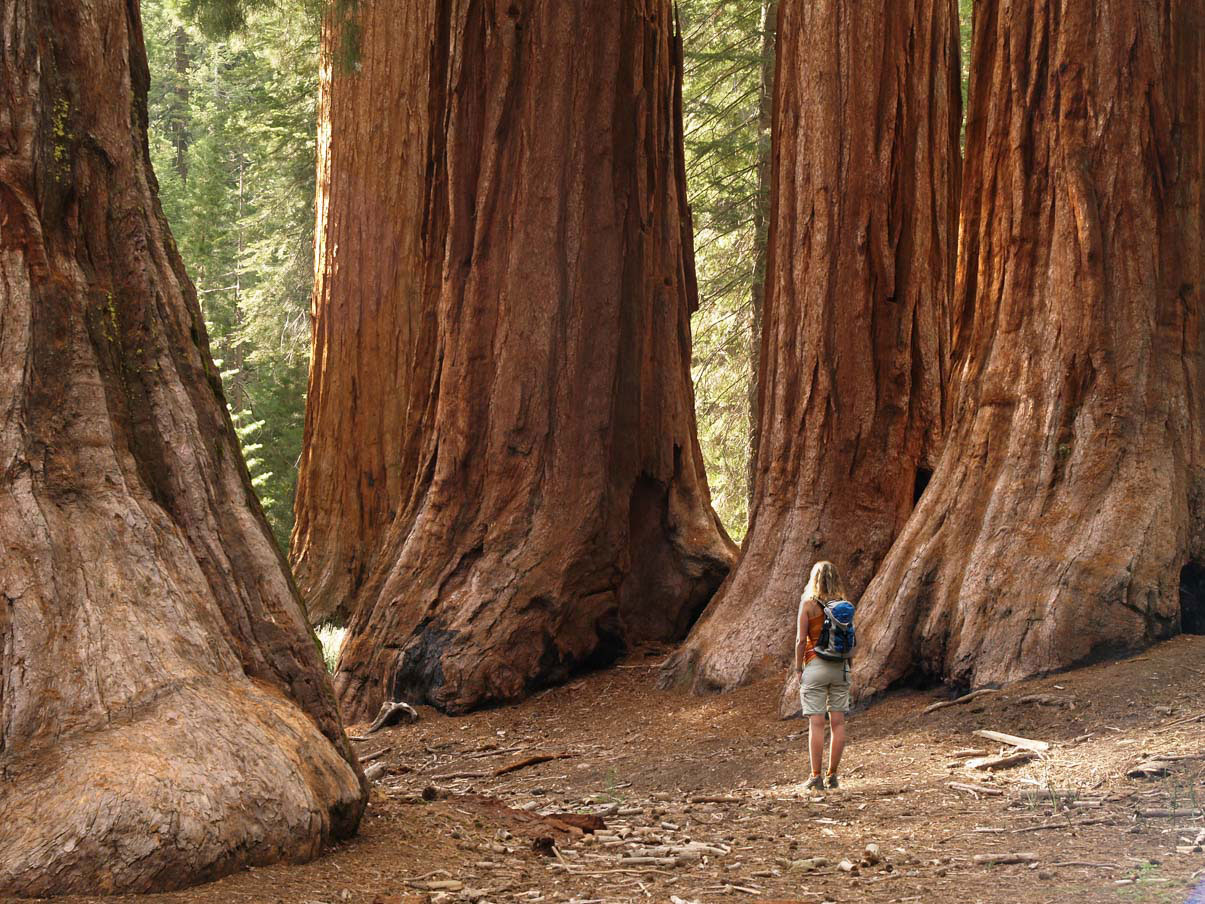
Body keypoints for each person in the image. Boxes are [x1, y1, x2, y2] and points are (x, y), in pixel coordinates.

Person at [794, 561, 851, 790]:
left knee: (816, 723)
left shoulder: (808, 605)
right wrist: (848, 666)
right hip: (840, 667)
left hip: (815, 666)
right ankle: (833, 775)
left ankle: (815, 777)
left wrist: (799, 669)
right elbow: (849, 641)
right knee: (838, 723)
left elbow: (800, 640)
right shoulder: (845, 606)